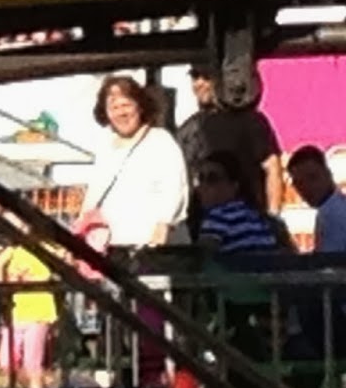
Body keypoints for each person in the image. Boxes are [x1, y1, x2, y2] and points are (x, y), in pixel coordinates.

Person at [78, 74, 189, 250]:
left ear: (140, 106)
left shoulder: (160, 141)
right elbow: (93, 197)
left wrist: (160, 234)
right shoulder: (106, 148)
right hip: (109, 249)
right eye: (114, 107)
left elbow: (173, 191)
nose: (121, 113)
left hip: (149, 250)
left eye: (126, 105)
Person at [176, 64, 283, 235]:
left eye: (206, 77)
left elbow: (272, 168)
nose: (199, 83)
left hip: (247, 223)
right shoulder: (188, 128)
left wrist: (273, 217)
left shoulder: (251, 121)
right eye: (195, 77)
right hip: (201, 224)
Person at [0, 239, 57, 388]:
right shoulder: (10, 252)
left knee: (32, 365)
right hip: (14, 313)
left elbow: (46, 276)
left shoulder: (43, 249)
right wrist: (0, 264)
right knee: (7, 363)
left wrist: (22, 279)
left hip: (37, 312)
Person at [195, 150, 283, 255]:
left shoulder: (218, 216)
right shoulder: (258, 217)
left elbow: (203, 257)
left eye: (212, 179)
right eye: (201, 179)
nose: (203, 186)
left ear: (234, 186)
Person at [287, 145, 346, 254]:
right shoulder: (327, 212)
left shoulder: (335, 214)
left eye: (312, 178)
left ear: (327, 173)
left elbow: (330, 260)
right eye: (299, 183)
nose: (307, 187)